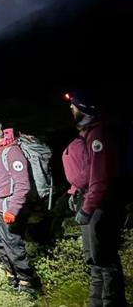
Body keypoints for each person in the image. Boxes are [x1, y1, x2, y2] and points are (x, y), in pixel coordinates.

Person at [62, 91, 127, 306]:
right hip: (90, 199)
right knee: (95, 260)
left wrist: (87, 208)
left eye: (74, 106)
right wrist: (74, 192)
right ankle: (95, 302)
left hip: (100, 204)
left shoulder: (99, 134)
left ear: (85, 109)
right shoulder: (90, 132)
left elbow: (100, 177)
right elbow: (87, 170)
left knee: (105, 259)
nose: (71, 109)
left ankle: (112, 302)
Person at [0, 117, 41, 294]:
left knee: (13, 244)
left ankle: (26, 281)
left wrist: (13, 210)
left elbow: (23, 185)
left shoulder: (12, 152)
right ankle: (11, 275)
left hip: (8, 207)